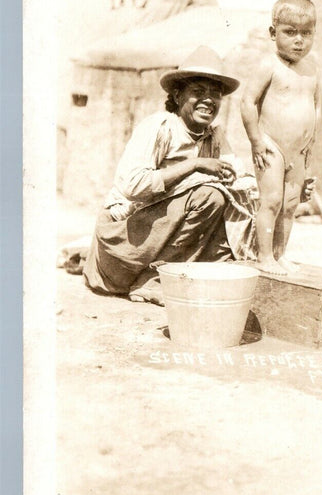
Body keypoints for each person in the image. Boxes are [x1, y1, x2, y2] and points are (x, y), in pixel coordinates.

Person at [83, 46, 256, 305]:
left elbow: (239, 178)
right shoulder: (160, 127)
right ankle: (154, 282)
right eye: (198, 91)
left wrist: (286, 191)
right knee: (210, 196)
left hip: (154, 245)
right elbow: (133, 185)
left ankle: (169, 277)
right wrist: (194, 165)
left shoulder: (214, 136)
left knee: (235, 204)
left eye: (215, 94)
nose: (208, 100)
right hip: (123, 247)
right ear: (177, 95)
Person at [240, 0, 319, 275]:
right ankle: (264, 257)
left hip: (299, 149)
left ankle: (280, 253)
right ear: (273, 33)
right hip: (271, 146)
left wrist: (311, 140)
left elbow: (316, 105)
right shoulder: (269, 65)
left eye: (306, 33)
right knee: (272, 201)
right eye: (290, 32)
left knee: (290, 204)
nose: (299, 41)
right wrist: (256, 141)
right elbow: (247, 102)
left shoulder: (312, 69)